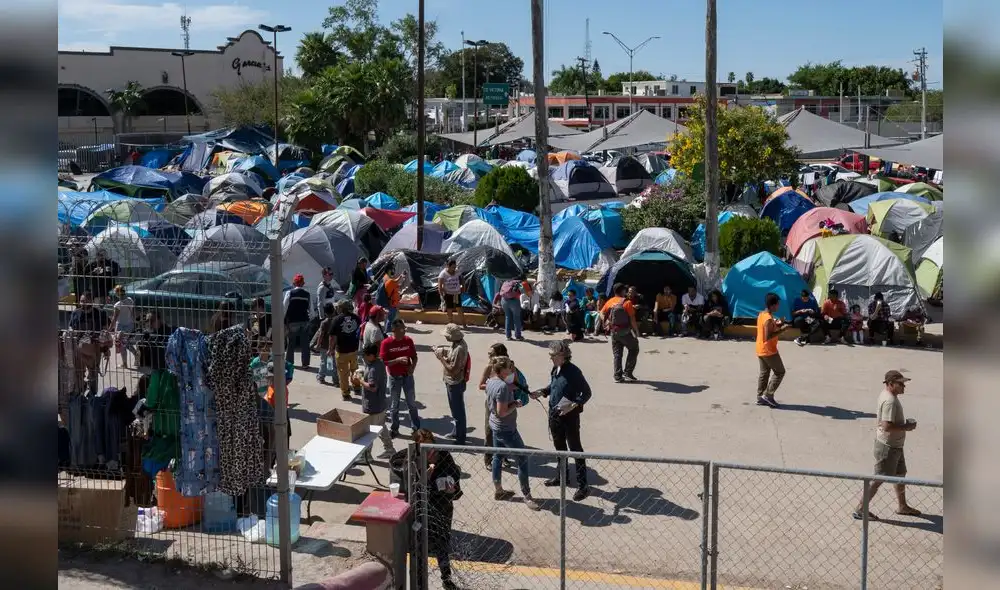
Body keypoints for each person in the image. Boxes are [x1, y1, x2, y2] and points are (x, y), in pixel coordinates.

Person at [853, 370, 921, 521]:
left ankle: (902, 506)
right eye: (900, 384)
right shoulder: (890, 401)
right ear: (890, 384)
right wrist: (906, 427)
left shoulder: (887, 395)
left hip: (895, 445)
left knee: (900, 475)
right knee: (878, 479)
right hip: (888, 447)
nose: (904, 386)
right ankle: (860, 509)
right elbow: (886, 426)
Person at [532, 340, 593, 501]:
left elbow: (586, 393)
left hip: (570, 418)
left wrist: (573, 405)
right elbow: (554, 386)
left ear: (562, 355)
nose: (550, 358)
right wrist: (542, 392)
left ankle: (583, 485)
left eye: (552, 355)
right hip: (554, 414)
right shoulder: (555, 368)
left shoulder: (574, 372)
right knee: (559, 448)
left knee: (575, 450)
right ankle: (562, 477)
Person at [485, 356, 540, 510]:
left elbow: (499, 397)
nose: (512, 370)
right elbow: (501, 412)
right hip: (506, 428)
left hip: (495, 426)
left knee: (498, 456)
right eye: (509, 368)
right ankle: (527, 495)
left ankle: (498, 490)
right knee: (522, 458)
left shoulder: (491, 381)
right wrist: (515, 404)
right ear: (502, 371)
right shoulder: (502, 387)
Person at [412, 429, 462, 590]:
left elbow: (455, 472)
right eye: (425, 449)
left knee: (442, 543)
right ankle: (419, 580)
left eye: (432, 447)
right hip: (424, 507)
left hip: (443, 506)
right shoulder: (415, 460)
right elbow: (414, 486)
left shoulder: (444, 455)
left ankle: (446, 578)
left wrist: (451, 486)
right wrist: (427, 476)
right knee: (420, 544)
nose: (430, 452)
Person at [477, 343, 529, 469]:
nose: (488, 355)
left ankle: (504, 456)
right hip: (492, 402)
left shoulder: (511, 366)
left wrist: (505, 388)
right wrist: (496, 385)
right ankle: (488, 458)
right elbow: (481, 385)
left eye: (491, 353)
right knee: (490, 432)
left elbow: (516, 384)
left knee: (506, 430)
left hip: (508, 400)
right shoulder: (489, 367)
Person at [380, 318, 421, 438]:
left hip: (407, 377)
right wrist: (397, 360)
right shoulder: (386, 343)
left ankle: (416, 429)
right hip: (394, 378)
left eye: (404, 329)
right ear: (394, 330)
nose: (404, 332)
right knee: (394, 405)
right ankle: (395, 429)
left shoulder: (408, 341)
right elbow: (384, 362)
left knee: (412, 404)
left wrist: (412, 367)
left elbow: (414, 357)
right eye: (402, 329)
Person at [434, 324, 470, 445]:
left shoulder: (459, 348)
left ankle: (461, 438)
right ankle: (458, 432)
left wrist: (441, 358)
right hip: (453, 381)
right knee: (455, 411)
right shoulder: (458, 344)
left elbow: (453, 369)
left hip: (455, 382)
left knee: (458, 412)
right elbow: (452, 355)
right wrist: (443, 351)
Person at [69, 292, 109, 396]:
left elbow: (105, 332)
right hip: (78, 348)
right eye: (81, 301)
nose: (83, 303)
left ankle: (92, 395)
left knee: (93, 373)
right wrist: (71, 331)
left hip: (94, 349)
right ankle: (80, 392)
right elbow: (70, 327)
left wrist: (105, 349)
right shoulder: (75, 313)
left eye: (86, 301)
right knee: (78, 373)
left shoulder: (100, 314)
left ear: (92, 301)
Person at [360, 344, 396, 459]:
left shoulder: (373, 369)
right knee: (381, 427)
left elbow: (372, 387)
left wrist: (360, 380)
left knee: (369, 431)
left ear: (371, 355)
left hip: (373, 405)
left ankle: (367, 455)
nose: (364, 358)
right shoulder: (379, 363)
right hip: (380, 404)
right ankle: (390, 449)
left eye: (365, 356)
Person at [599, 283, 639, 383]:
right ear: (622, 291)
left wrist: (606, 321)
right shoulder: (627, 302)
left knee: (617, 354)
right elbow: (632, 319)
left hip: (614, 332)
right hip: (626, 332)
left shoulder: (610, 301)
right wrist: (637, 331)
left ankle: (617, 376)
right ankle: (628, 373)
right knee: (634, 349)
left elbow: (601, 312)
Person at [756, 292, 789, 408]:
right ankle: (768, 395)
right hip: (768, 350)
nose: (778, 306)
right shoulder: (768, 319)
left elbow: (769, 328)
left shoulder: (762, 314)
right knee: (780, 372)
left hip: (761, 349)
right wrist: (782, 330)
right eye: (777, 304)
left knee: (764, 373)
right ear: (772, 305)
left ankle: (760, 397)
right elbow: (767, 337)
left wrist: (778, 323)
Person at [328, 300, 361, 401]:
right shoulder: (356, 318)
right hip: (354, 350)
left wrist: (330, 349)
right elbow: (359, 331)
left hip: (341, 351)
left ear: (341, 308)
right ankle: (357, 387)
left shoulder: (336, 319)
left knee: (343, 374)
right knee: (355, 370)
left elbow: (332, 337)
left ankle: (346, 393)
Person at [283, 273, 313, 367]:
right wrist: (310, 319)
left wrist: (283, 320)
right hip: (304, 321)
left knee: (291, 343)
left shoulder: (290, 293)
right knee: (305, 343)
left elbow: (284, 307)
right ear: (303, 283)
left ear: (294, 283)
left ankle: (289, 363)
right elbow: (311, 310)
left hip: (292, 321)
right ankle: (305, 364)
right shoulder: (307, 294)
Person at [107, 285, 137, 369]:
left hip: (121, 327)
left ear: (117, 294)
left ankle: (125, 363)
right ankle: (136, 354)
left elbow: (114, 318)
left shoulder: (118, 305)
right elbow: (133, 314)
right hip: (130, 325)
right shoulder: (130, 300)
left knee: (122, 345)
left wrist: (109, 329)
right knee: (126, 343)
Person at [136, 311, 172, 375]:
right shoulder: (147, 333)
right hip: (153, 367)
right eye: (147, 320)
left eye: (152, 320)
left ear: (159, 319)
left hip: (168, 367)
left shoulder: (169, 331)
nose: (150, 323)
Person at [311, 302, 336, 384]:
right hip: (334, 346)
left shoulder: (324, 323)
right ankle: (335, 379)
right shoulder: (336, 321)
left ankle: (321, 377)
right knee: (333, 363)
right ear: (333, 311)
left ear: (325, 312)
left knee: (323, 362)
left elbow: (321, 335)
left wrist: (317, 345)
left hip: (324, 346)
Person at [437, 259, 466, 328]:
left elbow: (462, 280)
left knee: (459, 308)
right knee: (449, 309)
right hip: (448, 294)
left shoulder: (457, 271)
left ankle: (464, 324)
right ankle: (451, 325)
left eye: (455, 267)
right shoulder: (443, 274)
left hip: (456, 294)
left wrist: (463, 288)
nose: (454, 269)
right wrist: (441, 296)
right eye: (452, 267)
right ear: (448, 266)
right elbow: (440, 286)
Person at [380, 266, 402, 334]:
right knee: (390, 320)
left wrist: (401, 277)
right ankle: (388, 333)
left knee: (388, 319)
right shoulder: (389, 279)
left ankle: (387, 332)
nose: (393, 271)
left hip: (389, 302)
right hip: (392, 303)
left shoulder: (386, 278)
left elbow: (395, 283)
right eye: (392, 270)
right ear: (389, 270)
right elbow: (395, 282)